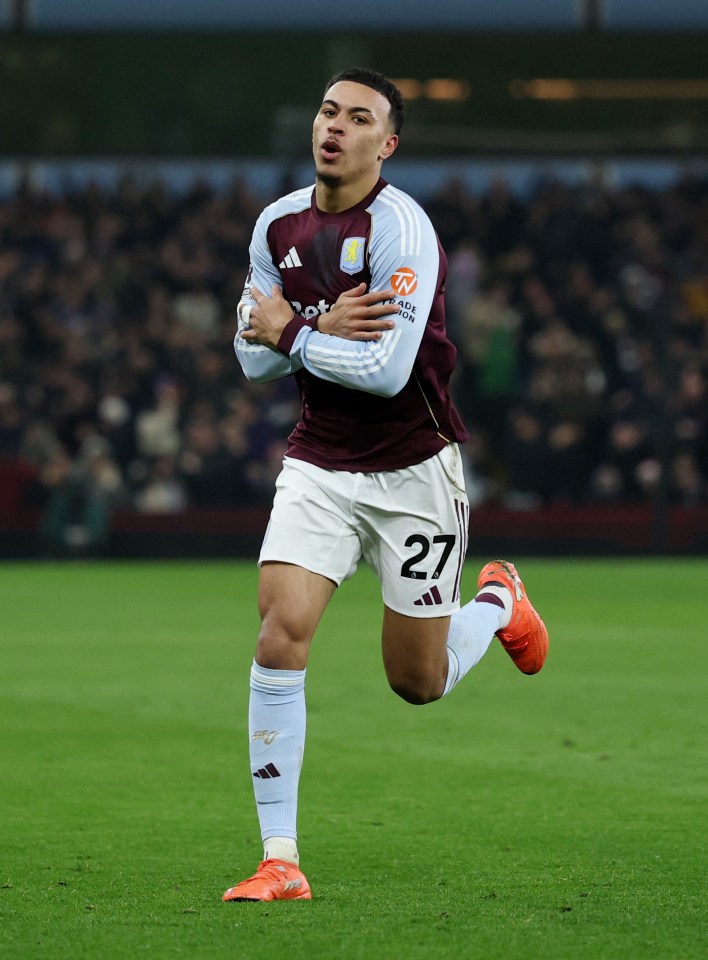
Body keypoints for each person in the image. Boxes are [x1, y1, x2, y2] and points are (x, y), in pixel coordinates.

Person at [222, 68, 548, 903]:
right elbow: (250, 356)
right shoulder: (277, 225)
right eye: (328, 111)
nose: (335, 126)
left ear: (387, 143)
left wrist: (296, 331)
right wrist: (308, 328)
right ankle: (280, 859)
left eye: (358, 118)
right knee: (279, 632)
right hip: (319, 462)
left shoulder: (405, 230)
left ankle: (498, 603)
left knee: (417, 682)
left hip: (414, 469)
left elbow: (386, 370)